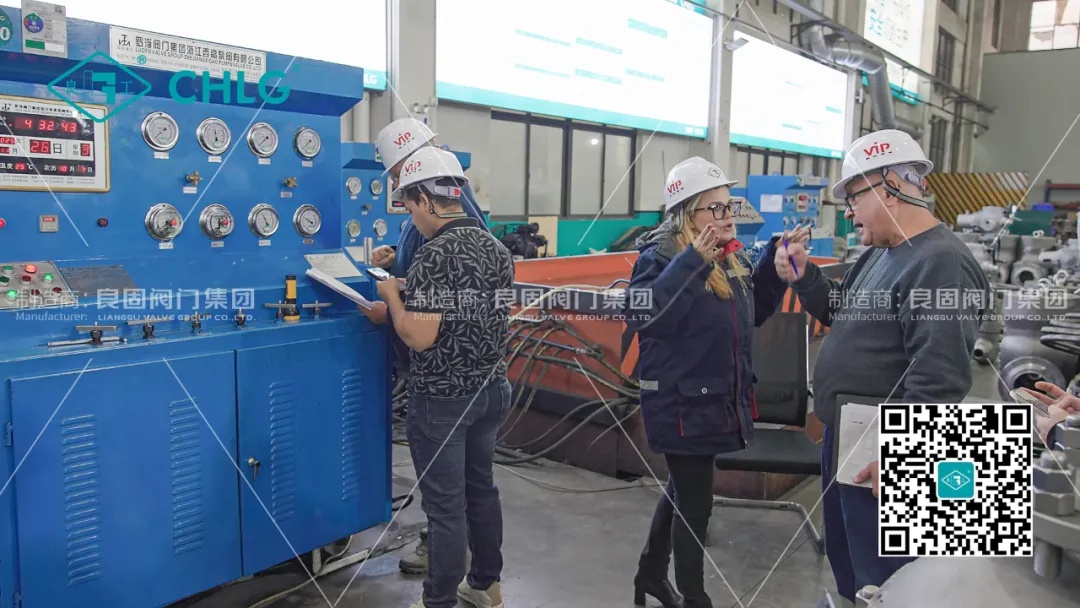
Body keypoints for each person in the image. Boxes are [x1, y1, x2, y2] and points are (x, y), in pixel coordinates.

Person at [773, 129, 991, 602]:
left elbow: (941, 374)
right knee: (854, 573)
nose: (848, 212)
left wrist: (903, 456)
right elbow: (841, 311)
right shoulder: (879, 253)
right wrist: (804, 276)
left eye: (854, 196)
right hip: (851, 439)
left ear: (891, 184)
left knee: (887, 584)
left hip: (885, 453)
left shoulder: (940, 263)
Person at [624, 157, 791, 608]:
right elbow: (646, 317)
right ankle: (695, 598)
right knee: (696, 505)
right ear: (686, 214)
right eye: (715, 208)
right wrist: (693, 262)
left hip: (715, 399)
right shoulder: (660, 256)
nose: (727, 215)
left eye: (729, 205)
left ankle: (650, 574)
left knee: (684, 490)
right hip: (680, 403)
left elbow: (752, 313)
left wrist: (774, 270)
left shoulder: (730, 255)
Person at [360, 146, 515, 608]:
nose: (412, 219)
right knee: (481, 490)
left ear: (426, 201)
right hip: (491, 390)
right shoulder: (496, 247)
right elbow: (468, 306)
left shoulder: (433, 254)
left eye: (410, 207)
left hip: (444, 401)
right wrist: (411, 291)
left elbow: (419, 336)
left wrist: (391, 297)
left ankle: (439, 600)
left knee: (446, 509)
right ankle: (485, 585)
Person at [371, 117, 491, 575]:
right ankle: (484, 581)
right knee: (473, 484)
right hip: (476, 377)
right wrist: (395, 259)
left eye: (399, 177)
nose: (396, 187)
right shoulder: (440, 206)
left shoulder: (451, 210)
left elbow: (446, 284)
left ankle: (442, 573)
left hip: (443, 376)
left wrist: (393, 302)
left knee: (447, 491)